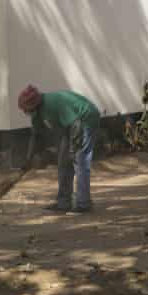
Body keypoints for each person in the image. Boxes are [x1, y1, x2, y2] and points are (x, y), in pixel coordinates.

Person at [18, 85, 100, 213]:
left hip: (86, 119)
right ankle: (63, 203)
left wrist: (73, 150)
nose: (25, 112)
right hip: (71, 126)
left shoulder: (51, 104)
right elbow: (36, 137)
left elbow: (77, 125)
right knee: (63, 161)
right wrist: (28, 160)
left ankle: (83, 204)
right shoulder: (37, 114)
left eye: (26, 110)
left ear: (34, 105)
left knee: (80, 161)